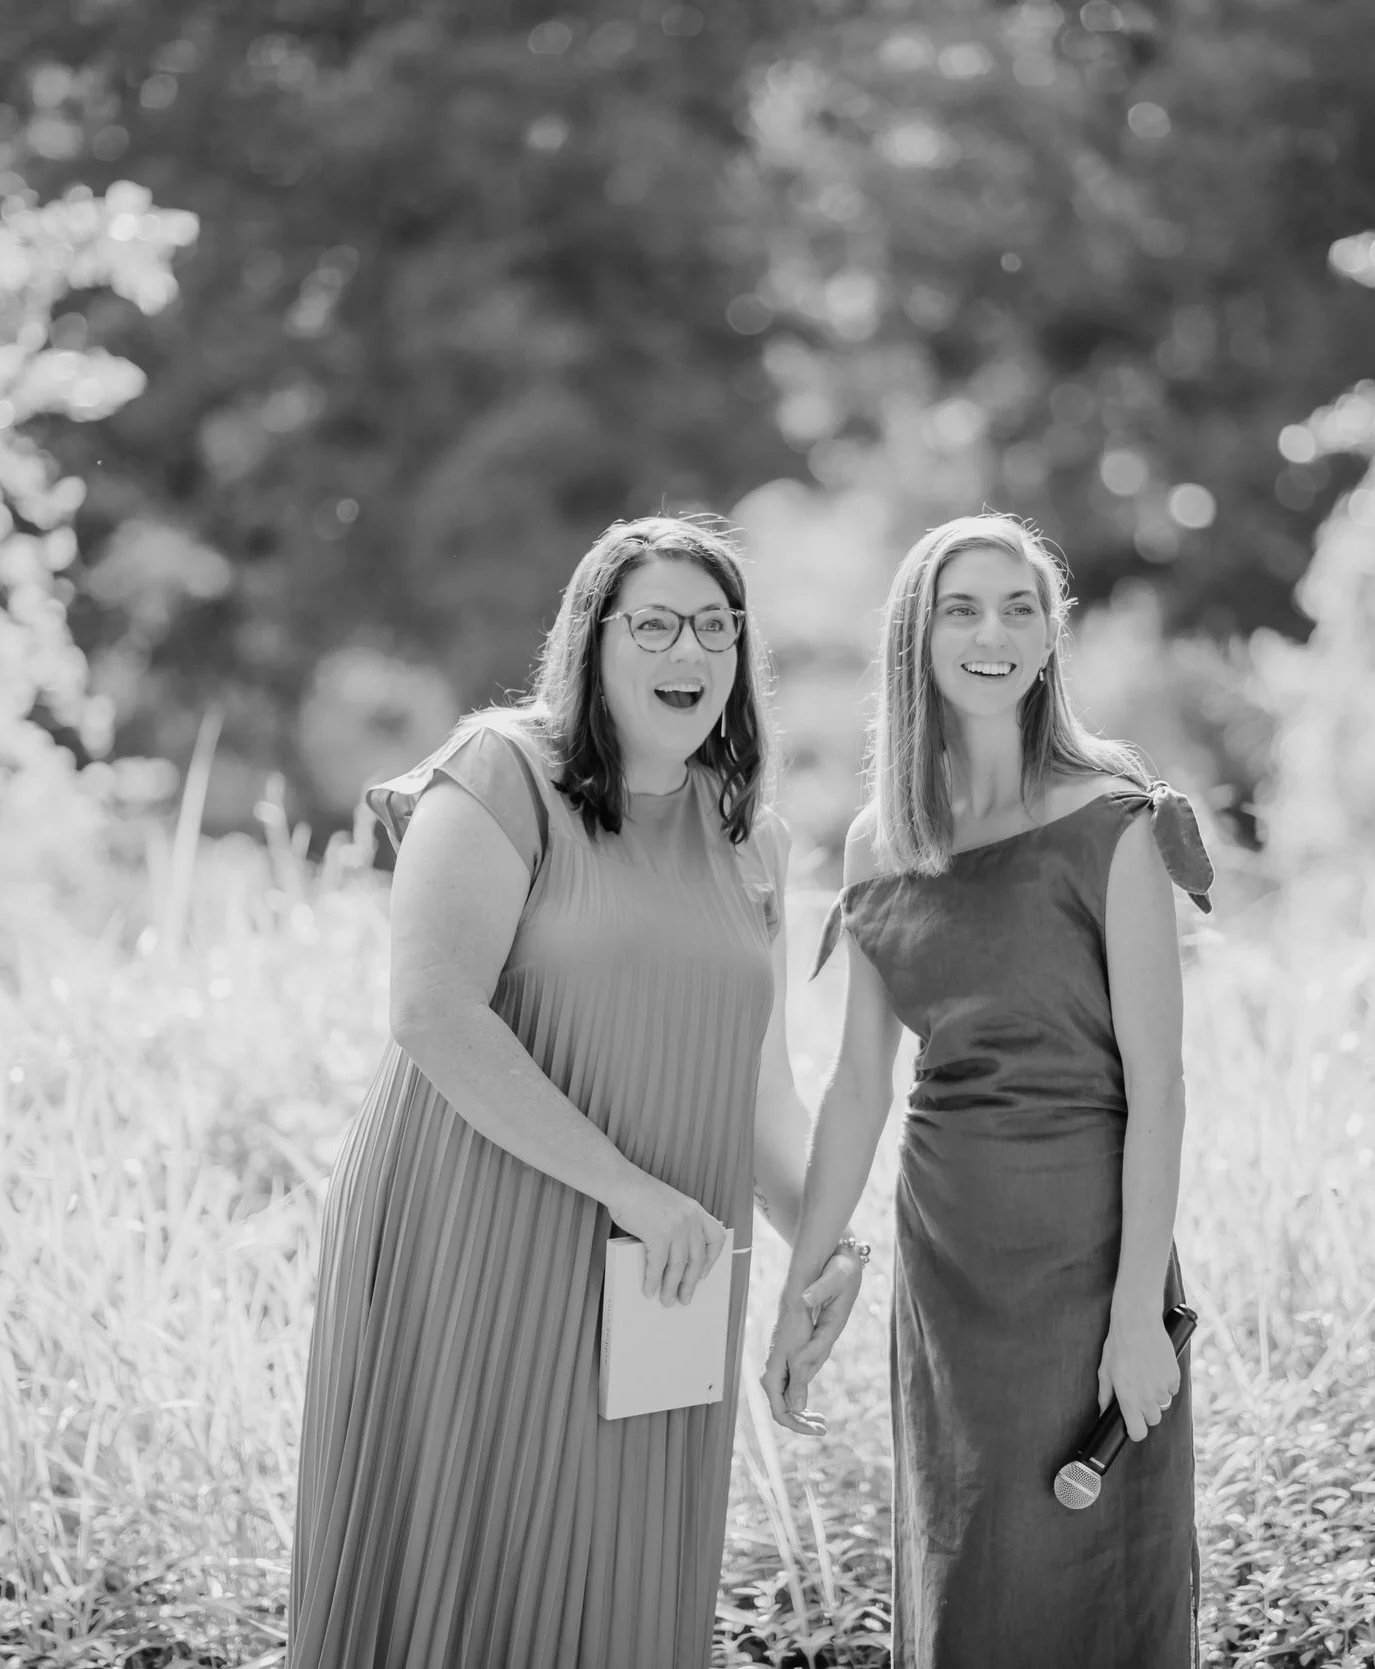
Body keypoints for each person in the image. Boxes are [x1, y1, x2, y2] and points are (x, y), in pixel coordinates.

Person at [290, 516, 867, 1669]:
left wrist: (826, 1253)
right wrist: (631, 1189)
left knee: (622, 1589)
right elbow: (432, 1012)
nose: (686, 650)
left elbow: (764, 1098)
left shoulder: (753, 837)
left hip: (663, 1278)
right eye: (651, 622)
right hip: (471, 1243)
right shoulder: (501, 770)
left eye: (714, 626)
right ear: (590, 642)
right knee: (459, 1583)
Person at [761, 513, 1213, 1667]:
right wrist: (801, 1289)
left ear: (1051, 637)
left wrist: (1131, 1318)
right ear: (916, 638)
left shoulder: (1115, 821)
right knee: (967, 1581)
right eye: (960, 607)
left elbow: (1157, 1090)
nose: (991, 632)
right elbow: (860, 1086)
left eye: (1018, 607)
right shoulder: (881, 843)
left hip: (1088, 1265)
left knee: (1092, 1581)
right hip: (947, 1270)